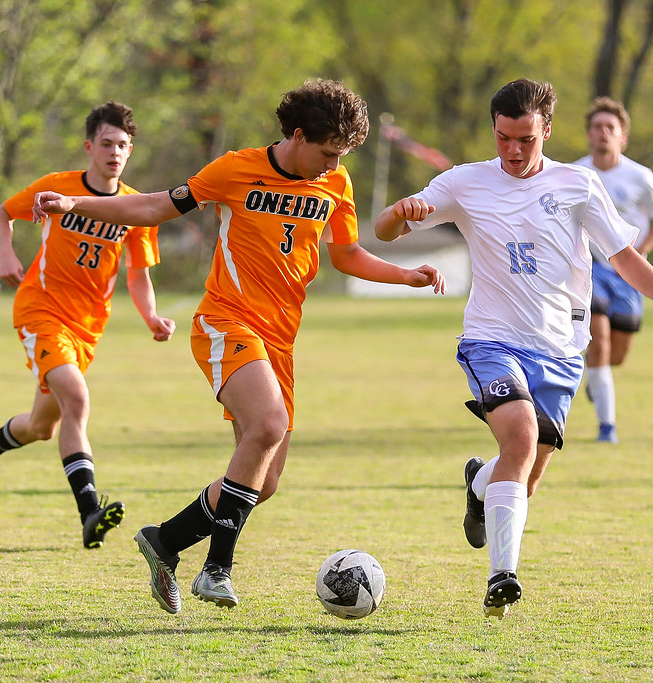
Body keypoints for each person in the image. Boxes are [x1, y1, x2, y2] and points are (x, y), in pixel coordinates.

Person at [32, 79, 445, 613]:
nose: (332, 164)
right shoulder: (234, 169)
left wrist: (404, 275)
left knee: (263, 480)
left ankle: (165, 542)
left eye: (340, 155)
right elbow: (154, 208)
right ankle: (217, 569)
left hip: (280, 341)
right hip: (226, 322)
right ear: (298, 135)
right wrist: (74, 204)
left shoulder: (334, 181)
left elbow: (346, 255)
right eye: (327, 152)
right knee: (268, 426)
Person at [375, 79, 653, 619]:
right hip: (491, 339)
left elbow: (622, 255)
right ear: (494, 130)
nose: (514, 150)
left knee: (529, 469)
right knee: (522, 439)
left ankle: (481, 482)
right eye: (503, 138)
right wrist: (399, 212)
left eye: (526, 138)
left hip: (561, 348)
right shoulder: (464, 182)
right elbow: (384, 233)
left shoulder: (579, 184)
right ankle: (503, 577)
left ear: (546, 129)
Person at [0, 101, 176, 550]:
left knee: (42, 427)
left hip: (87, 329)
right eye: (106, 143)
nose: (115, 152)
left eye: (123, 145)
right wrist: (6, 254)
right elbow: (0, 215)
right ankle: (89, 511)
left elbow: (138, 275)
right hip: (40, 310)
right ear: (89, 147)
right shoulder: (56, 187)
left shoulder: (135, 206)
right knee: (77, 399)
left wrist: (152, 317)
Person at [574, 97, 653, 444]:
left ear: (622, 137)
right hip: (590, 269)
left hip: (629, 272)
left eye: (610, 128)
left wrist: (645, 246)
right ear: (588, 135)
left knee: (616, 355)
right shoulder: (575, 173)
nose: (602, 133)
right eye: (596, 127)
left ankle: (595, 380)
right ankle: (607, 427)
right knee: (598, 343)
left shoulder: (639, 176)